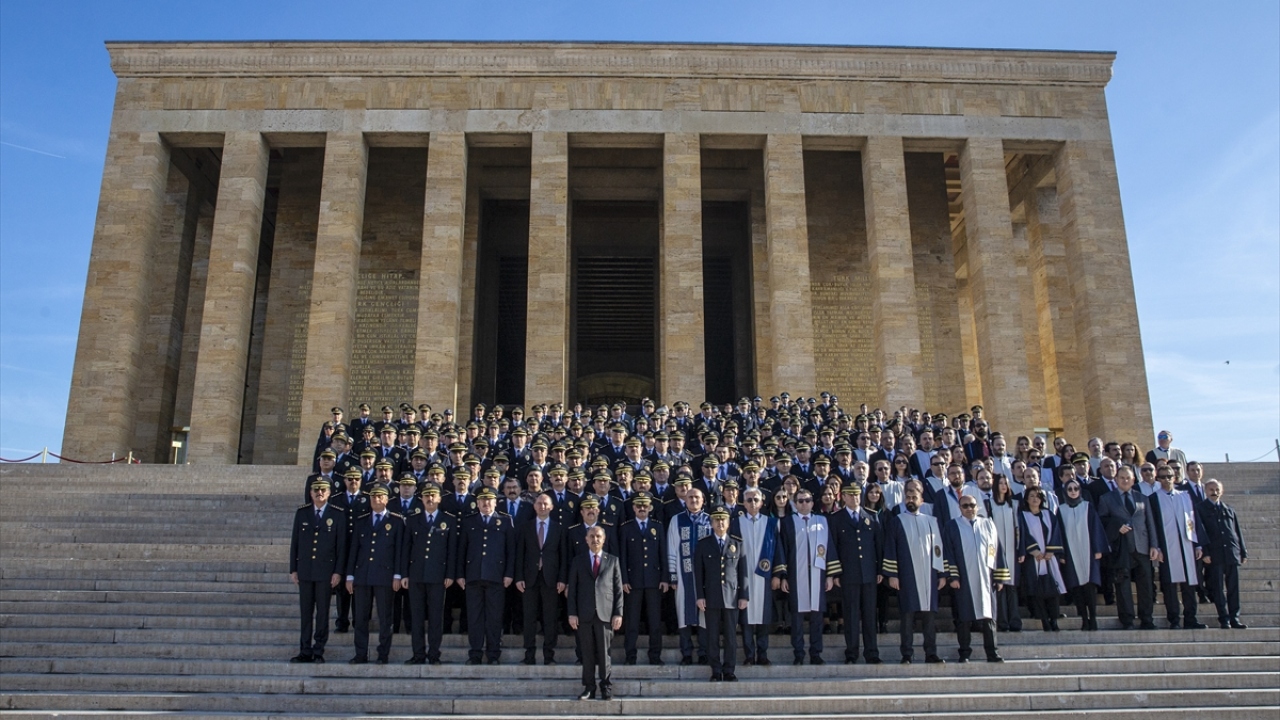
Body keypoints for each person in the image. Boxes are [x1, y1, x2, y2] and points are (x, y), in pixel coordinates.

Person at [883, 483, 945, 664]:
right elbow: (891, 548)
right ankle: (907, 654)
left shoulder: (931, 521)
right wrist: (892, 574)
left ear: (921, 500)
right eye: (908, 498)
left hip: (929, 575)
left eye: (914, 498)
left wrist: (941, 574)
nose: (911, 500)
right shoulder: (897, 520)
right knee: (907, 616)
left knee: (929, 617)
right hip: (907, 575)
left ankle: (931, 653)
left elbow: (938, 549)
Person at [777, 489, 840, 665]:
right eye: (800, 501)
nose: (804, 503)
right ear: (795, 503)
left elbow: (829, 548)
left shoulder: (822, 522)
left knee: (817, 617)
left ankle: (816, 652)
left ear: (813, 503)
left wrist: (830, 575)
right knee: (797, 617)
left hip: (817, 575)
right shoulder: (787, 522)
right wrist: (783, 576)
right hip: (796, 576)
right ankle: (798, 653)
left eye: (807, 500)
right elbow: (783, 550)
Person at [941, 493, 1006, 663]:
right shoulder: (952, 526)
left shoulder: (988, 524)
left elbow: (996, 550)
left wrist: (999, 577)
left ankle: (992, 652)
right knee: (964, 617)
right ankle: (965, 652)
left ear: (977, 506)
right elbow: (949, 553)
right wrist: (952, 576)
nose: (969, 508)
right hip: (963, 578)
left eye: (972, 505)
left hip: (986, 578)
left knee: (989, 617)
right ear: (959, 508)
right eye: (965, 506)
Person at [345, 485, 405, 664]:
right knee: (361, 617)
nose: (376, 500)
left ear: (387, 500)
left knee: (385, 618)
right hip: (363, 575)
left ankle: (383, 654)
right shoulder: (361, 520)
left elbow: (399, 551)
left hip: (385, 576)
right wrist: (350, 575)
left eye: (380, 497)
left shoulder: (396, 521)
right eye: (373, 497)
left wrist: (397, 575)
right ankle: (360, 653)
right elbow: (354, 549)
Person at [289, 478, 347, 664]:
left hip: (325, 572)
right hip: (306, 571)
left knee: (322, 613)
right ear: (311, 492)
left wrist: (338, 571)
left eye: (323, 490)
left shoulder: (337, 514)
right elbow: (295, 543)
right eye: (316, 490)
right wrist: (293, 569)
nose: (319, 493)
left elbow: (341, 547)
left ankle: (318, 650)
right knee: (306, 613)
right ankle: (304, 650)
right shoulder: (302, 513)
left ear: (329, 493)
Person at [456, 487, 516, 665]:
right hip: (473, 576)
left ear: (495, 502)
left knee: (494, 618)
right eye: (482, 500)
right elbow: (462, 550)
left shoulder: (505, 521)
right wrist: (460, 574)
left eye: (489, 500)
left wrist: (509, 574)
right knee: (474, 617)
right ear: (478, 502)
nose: (486, 503)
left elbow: (510, 551)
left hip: (496, 577)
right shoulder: (469, 521)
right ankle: (475, 653)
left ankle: (493, 654)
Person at [1097, 466, 1161, 630]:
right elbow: (1101, 522)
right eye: (1122, 478)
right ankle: (1127, 620)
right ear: (1116, 480)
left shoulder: (1143, 498)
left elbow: (1150, 524)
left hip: (1142, 547)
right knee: (1123, 586)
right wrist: (1117, 526)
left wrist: (1154, 545)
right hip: (1121, 548)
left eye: (1128, 478)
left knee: (1145, 585)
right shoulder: (1106, 498)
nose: (1125, 481)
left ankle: (1147, 618)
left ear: (1134, 480)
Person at [829, 483, 883, 664]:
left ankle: (872, 652)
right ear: (843, 497)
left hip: (868, 573)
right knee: (851, 615)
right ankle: (851, 653)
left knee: (869, 615)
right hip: (848, 574)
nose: (854, 498)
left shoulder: (871, 516)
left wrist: (880, 570)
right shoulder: (836, 519)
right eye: (850, 495)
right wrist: (835, 573)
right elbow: (833, 547)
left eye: (857, 495)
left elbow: (878, 546)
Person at [568, 526, 624, 701]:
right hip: (584, 614)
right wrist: (572, 613)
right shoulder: (578, 561)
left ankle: (606, 687)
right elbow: (573, 590)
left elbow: (618, 590)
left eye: (598, 536)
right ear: (586, 539)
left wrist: (618, 613)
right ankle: (589, 688)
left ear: (604, 539)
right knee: (587, 653)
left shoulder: (613, 560)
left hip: (605, 614)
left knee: (604, 653)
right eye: (591, 536)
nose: (595, 539)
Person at [694, 505, 749, 682]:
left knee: (731, 637)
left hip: (732, 598)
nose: (720, 523)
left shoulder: (737, 544)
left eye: (723, 519)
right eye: (716, 519)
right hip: (711, 597)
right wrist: (700, 596)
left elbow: (743, 573)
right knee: (712, 636)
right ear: (711, 522)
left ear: (728, 522)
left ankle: (729, 670)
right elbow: (698, 574)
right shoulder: (703, 544)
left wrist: (744, 596)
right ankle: (716, 670)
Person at [402, 482, 455, 665]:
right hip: (416, 575)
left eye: (433, 495)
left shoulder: (448, 520)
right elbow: (406, 549)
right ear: (421, 498)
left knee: (435, 618)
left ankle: (434, 654)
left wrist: (450, 574)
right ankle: (418, 654)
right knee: (416, 618)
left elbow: (451, 551)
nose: (430, 498)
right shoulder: (412, 519)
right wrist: (404, 574)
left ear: (439, 498)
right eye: (426, 495)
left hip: (438, 576)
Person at [1150, 466, 1206, 629]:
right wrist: (1157, 547)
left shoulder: (1185, 496)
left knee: (1189, 585)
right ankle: (1174, 619)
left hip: (1187, 545)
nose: (1166, 479)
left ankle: (1191, 618)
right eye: (1162, 477)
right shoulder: (1154, 499)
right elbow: (1153, 525)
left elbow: (1194, 521)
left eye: (1169, 476)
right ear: (1158, 479)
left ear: (1174, 477)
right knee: (1170, 586)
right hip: (1167, 548)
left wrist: (1198, 544)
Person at [515, 493, 568, 665]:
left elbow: (563, 557)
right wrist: (519, 577)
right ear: (534, 506)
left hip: (551, 579)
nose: (542, 506)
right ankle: (529, 654)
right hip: (529, 578)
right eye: (539, 503)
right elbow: (520, 555)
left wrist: (562, 579)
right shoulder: (525, 527)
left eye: (546, 504)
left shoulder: (559, 528)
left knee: (550, 618)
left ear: (551, 507)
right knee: (529, 617)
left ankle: (549, 655)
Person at [618, 492, 668, 666]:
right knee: (631, 622)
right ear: (633, 508)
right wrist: (623, 579)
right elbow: (622, 557)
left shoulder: (658, 526)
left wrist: (664, 578)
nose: (641, 508)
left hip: (654, 581)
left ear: (650, 507)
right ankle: (630, 655)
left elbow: (663, 554)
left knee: (654, 622)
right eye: (638, 505)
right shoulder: (626, 527)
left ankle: (655, 655)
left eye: (645, 505)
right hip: (633, 581)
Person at [667, 487, 712, 665]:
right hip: (682, 575)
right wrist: (672, 575)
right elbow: (671, 547)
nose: (693, 500)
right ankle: (686, 653)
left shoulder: (710, 521)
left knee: (704, 616)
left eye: (697, 497)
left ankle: (703, 652)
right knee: (683, 615)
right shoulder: (676, 520)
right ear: (685, 500)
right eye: (690, 497)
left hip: (705, 579)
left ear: (703, 500)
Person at [1056, 478, 1109, 631]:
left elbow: (1096, 528)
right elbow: (1059, 533)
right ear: (1066, 492)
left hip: (1089, 552)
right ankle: (1084, 620)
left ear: (1080, 491)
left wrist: (1098, 549)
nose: (1073, 492)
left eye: (1076, 489)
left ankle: (1093, 618)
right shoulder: (1061, 510)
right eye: (1070, 489)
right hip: (1071, 555)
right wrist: (1062, 554)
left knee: (1090, 586)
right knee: (1077, 588)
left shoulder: (1087, 507)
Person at [1196, 479, 1249, 629]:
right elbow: (1200, 532)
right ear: (1206, 491)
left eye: (1217, 489)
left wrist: (1242, 551)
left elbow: (1237, 532)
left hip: (1231, 553)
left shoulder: (1229, 509)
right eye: (1211, 489)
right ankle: (1223, 618)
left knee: (1233, 588)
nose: (1215, 492)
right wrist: (1205, 552)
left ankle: (1235, 618)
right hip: (1214, 554)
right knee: (1218, 589)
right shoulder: (1200, 509)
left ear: (1222, 491)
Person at [736, 487, 779, 666]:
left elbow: (778, 551)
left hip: (764, 576)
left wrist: (777, 575)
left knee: (763, 617)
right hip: (744, 576)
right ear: (744, 503)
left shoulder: (771, 523)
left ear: (762, 502)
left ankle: (762, 653)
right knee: (746, 617)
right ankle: (749, 654)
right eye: (749, 500)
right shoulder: (736, 523)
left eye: (756, 499)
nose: (753, 503)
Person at [1017, 487, 1066, 631]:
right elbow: (1023, 534)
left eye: (1037, 496)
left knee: (1053, 589)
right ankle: (1044, 620)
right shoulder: (1023, 516)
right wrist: (1035, 551)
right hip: (1034, 559)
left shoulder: (1048, 514)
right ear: (1026, 499)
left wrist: (1051, 551)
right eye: (1031, 496)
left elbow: (1057, 532)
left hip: (1050, 558)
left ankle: (1054, 619)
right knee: (1037, 590)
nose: (1034, 499)